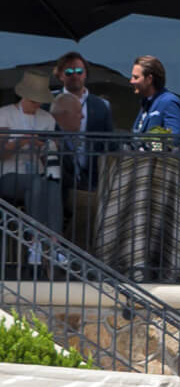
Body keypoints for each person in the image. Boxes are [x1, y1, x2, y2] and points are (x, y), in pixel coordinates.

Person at [0, 70, 63, 237]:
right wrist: (24, 141)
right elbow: (1, 153)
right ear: (24, 96)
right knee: (38, 182)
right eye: (34, 100)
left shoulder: (47, 118)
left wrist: (45, 145)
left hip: (38, 172)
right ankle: (36, 240)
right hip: (8, 174)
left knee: (52, 184)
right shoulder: (4, 114)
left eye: (40, 100)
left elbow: (48, 151)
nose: (37, 104)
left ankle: (53, 242)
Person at [49, 92, 98, 251]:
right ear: (63, 115)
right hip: (58, 192)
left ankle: (74, 251)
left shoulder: (70, 137)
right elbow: (59, 173)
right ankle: (73, 251)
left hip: (74, 187)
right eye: (78, 112)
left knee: (101, 199)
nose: (82, 117)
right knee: (93, 203)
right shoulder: (51, 133)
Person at [53, 51, 113, 138]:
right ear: (60, 75)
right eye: (69, 72)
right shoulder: (48, 102)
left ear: (85, 74)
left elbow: (110, 143)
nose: (75, 76)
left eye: (79, 71)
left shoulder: (102, 105)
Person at [130, 55, 180, 134]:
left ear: (149, 79)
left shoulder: (169, 102)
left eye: (136, 77)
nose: (131, 81)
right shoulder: (145, 103)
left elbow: (173, 140)